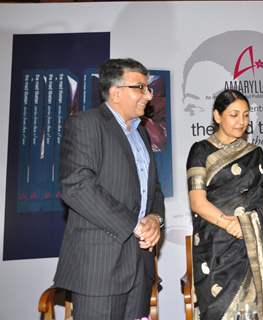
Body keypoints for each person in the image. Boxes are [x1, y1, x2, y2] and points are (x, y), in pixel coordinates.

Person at [54, 58, 165, 320]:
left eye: (148, 88)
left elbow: (154, 189)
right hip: (99, 268)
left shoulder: (142, 134)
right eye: (140, 87)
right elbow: (77, 187)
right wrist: (135, 225)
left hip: (140, 265)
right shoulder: (86, 124)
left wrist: (155, 219)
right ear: (115, 92)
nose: (148, 95)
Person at [186, 89, 263, 320]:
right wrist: (230, 225)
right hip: (218, 246)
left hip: (256, 243)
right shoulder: (201, 151)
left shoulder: (254, 154)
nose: (242, 122)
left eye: (246, 115)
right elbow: (197, 202)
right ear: (217, 116)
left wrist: (248, 225)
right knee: (220, 310)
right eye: (234, 115)